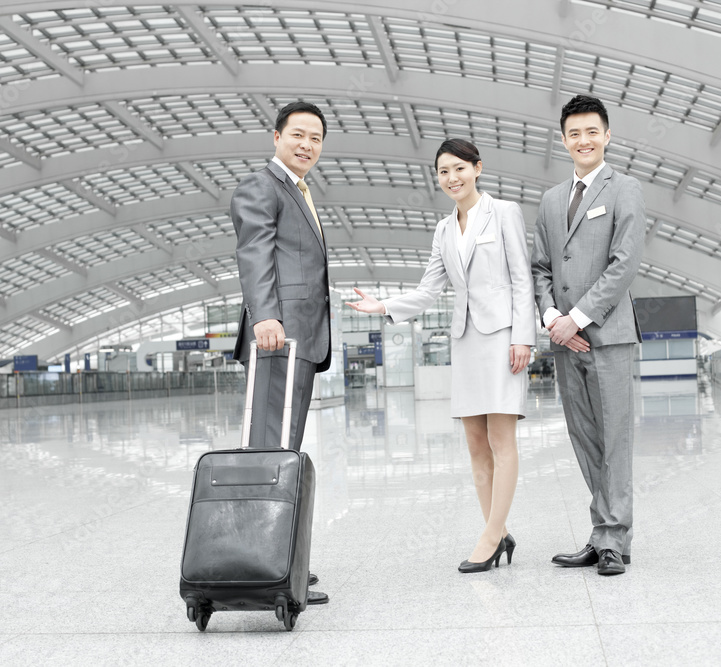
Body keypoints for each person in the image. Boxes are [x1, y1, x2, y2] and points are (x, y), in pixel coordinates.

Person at [347, 139, 535, 573]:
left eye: (459, 169)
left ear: (478, 168)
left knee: (502, 440)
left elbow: (521, 278)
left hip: (504, 337)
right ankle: (499, 531)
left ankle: (490, 535)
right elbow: (430, 289)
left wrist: (523, 336)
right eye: (443, 172)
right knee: (475, 443)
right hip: (466, 340)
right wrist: (384, 306)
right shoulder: (444, 229)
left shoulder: (503, 213)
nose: (451, 178)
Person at [530, 94, 645, 576]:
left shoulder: (625, 189)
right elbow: (540, 267)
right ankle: (601, 535)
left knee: (615, 439)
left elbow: (624, 265)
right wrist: (553, 316)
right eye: (574, 133)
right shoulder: (552, 200)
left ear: (607, 135)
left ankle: (615, 539)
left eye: (592, 132)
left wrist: (575, 318)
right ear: (564, 140)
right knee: (584, 439)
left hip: (609, 337)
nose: (584, 140)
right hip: (565, 340)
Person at [231, 101, 331, 604]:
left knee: (282, 450)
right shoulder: (262, 187)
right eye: (298, 135)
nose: (307, 144)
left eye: (315, 137)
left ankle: (277, 561)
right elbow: (254, 252)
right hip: (278, 338)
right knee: (267, 452)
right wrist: (265, 315)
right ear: (276, 136)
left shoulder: (300, 191)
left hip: (300, 340)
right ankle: (256, 564)